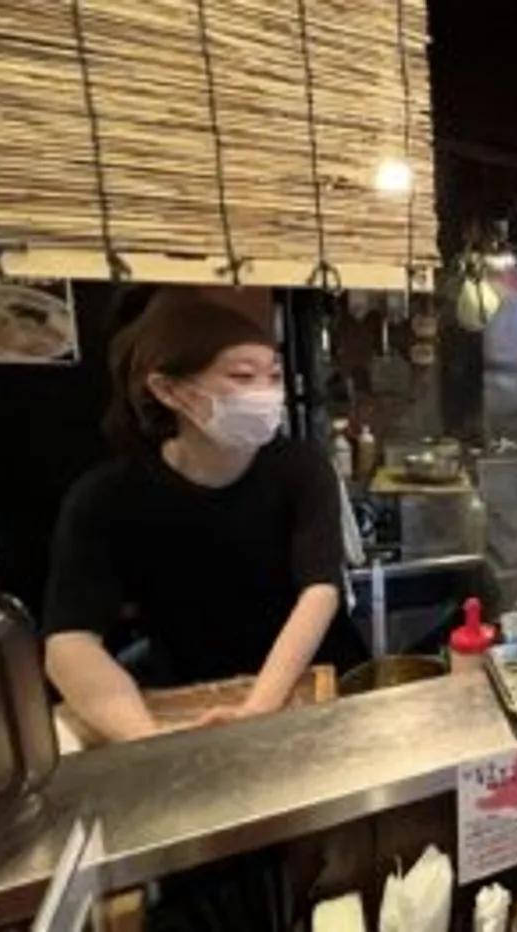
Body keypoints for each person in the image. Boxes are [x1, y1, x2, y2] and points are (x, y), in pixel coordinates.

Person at [43, 288, 360, 743]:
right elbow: (68, 644)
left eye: (272, 377)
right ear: (169, 389)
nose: (265, 393)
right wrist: (148, 739)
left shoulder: (301, 469)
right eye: (242, 376)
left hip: (313, 688)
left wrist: (258, 708)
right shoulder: (106, 497)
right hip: (189, 699)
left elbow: (320, 593)